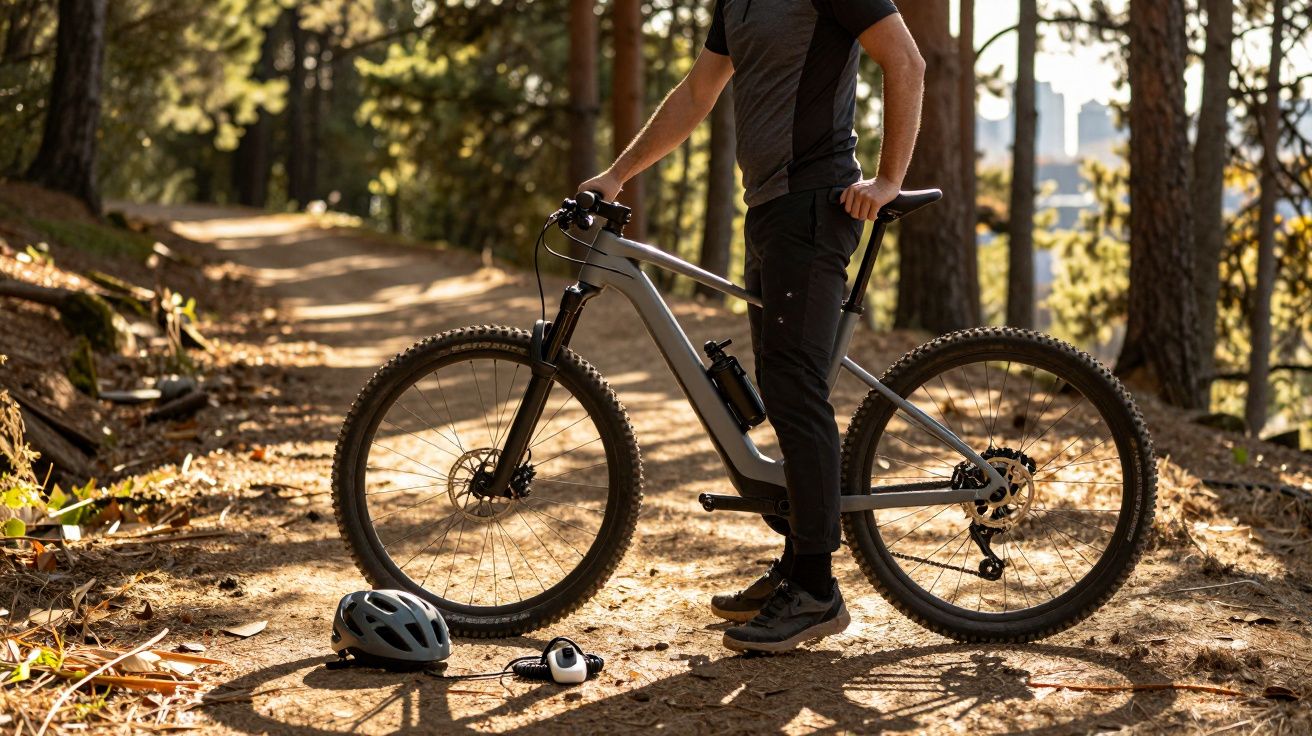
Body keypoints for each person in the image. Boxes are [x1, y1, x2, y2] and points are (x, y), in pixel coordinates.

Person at [578, 0, 925, 653]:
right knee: (785, 389)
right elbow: (695, 93)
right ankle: (796, 568)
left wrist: (887, 180)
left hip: (817, 204)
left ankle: (817, 591)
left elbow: (906, 61)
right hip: (768, 211)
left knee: (795, 391)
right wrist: (618, 174)